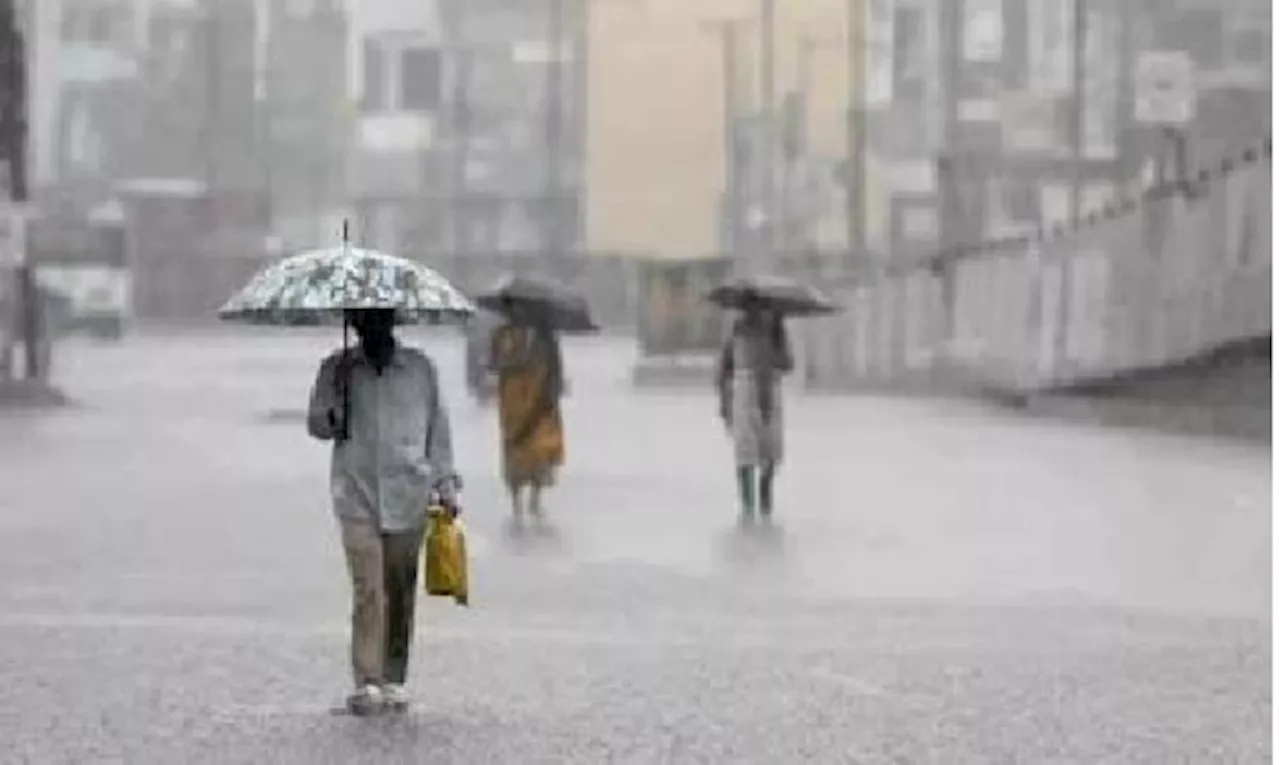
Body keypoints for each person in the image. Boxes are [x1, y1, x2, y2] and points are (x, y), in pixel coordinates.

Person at [306, 308, 458, 716]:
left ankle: (393, 676)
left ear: (391, 323)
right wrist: (333, 410)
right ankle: (367, 678)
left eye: (377, 322)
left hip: (409, 491)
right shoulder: (337, 369)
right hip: (356, 493)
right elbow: (317, 425)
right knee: (367, 588)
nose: (370, 330)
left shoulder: (420, 370)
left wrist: (445, 483)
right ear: (354, 326)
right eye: (362, 323)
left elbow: (436, 429)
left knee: (399, 588)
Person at [715, 299, 793, 522]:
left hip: (770, 389)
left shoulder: (777, 329)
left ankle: (765, 503)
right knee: (745, 451)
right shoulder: (737, 329)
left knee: (770, 451)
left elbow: (788, 363)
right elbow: (724, 365)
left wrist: (777, 338)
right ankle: (748, 509)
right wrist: (724, 401)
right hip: (744, 391)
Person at [489, 304, 565, 524]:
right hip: (512, 405)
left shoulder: (546, 337)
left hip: (540, 403)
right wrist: (512, 361)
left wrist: (552, 393)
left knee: (540, 451)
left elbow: (555, 369)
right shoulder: (502, 335)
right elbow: (493, 363)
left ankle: (536, 498)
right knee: (515, 451)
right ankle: (516, 501)